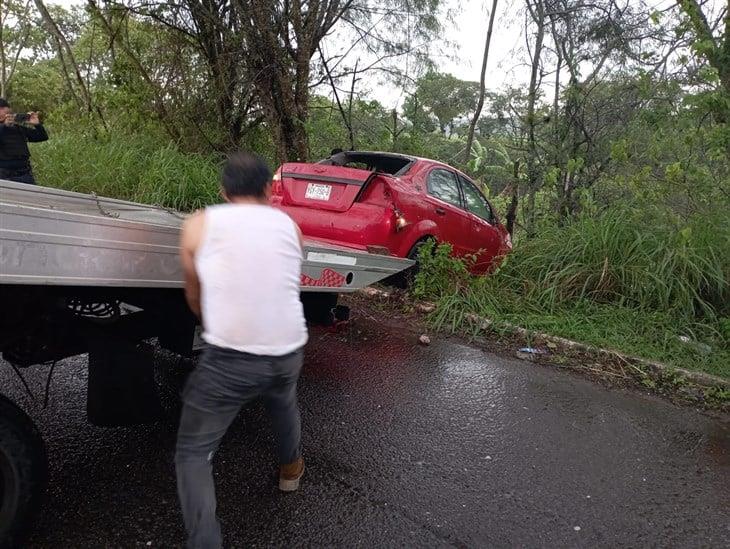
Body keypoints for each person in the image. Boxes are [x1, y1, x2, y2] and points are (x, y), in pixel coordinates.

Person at [176, 152, 308, 549]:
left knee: (194, 452)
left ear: (223, 190)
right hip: (288, 348)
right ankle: (291, 470)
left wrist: (212, 321)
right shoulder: (289, 225)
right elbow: (286, 283)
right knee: (283, 401)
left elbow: (194, 294)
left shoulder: (199, 224)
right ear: (269, 189)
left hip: (230, 360)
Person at [0, 98, 48, 184]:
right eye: (5, 114)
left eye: (9, 114)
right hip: (3, 173)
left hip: (24, 172)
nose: (8, 116)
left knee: (31, 196)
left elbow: (42, 137)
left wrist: (37, 124)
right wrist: (4, 126)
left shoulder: (18, 129)